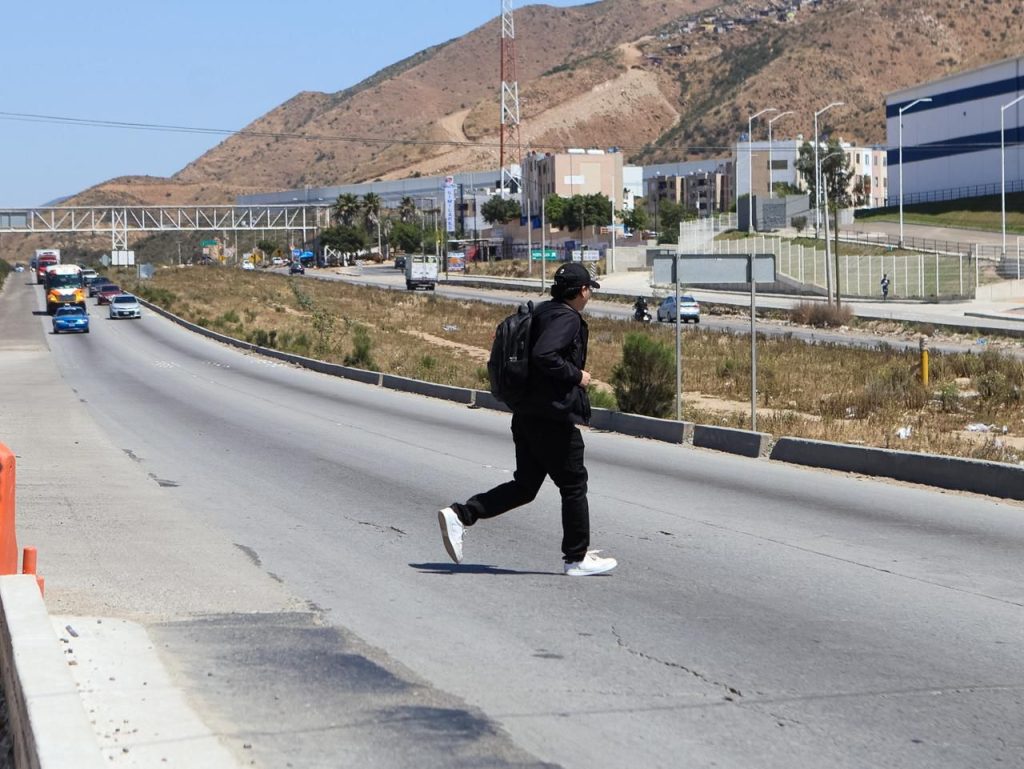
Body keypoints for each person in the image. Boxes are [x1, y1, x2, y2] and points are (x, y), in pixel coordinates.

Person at [438, 262, 617, 577]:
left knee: (525, 487)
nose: (590, 294)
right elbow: (545, 355)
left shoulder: (544, 312)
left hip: (527, 415)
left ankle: (462, 515)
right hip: (551, 418)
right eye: (589, 288)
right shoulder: (567, 318)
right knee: (574, 483)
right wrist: (578, 376)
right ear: (583, 290)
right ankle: (576, 558)